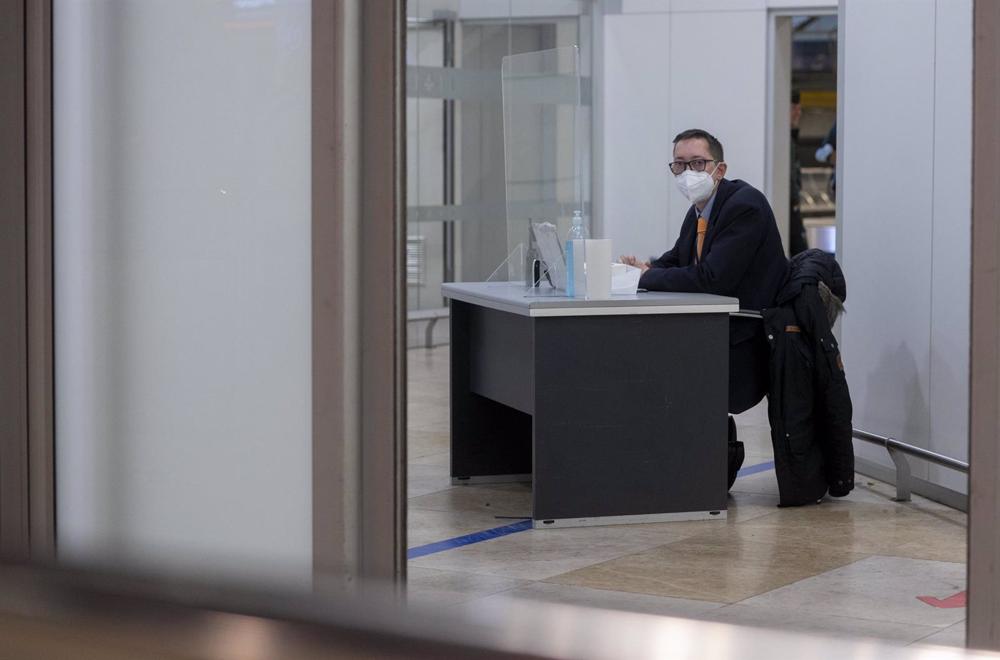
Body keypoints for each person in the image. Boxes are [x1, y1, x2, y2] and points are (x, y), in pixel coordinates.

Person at [620, 129, 788, 488]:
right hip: (714, 328)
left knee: (650, 359)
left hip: (746, 335)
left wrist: (644, 280)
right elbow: (675, 260)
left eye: (697, 163)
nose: (688, 173)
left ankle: (690, 467)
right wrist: (641, 270)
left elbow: (712, 278)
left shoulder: (744, 206)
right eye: (679, 165)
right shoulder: (700, 210)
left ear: (720, 168)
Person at [789, 91, 809, 255]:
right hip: (789, 207)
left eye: (799, 109)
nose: (798, 113)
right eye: (794, 108)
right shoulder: (782, 139)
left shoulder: (791, 138)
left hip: (794, 208)